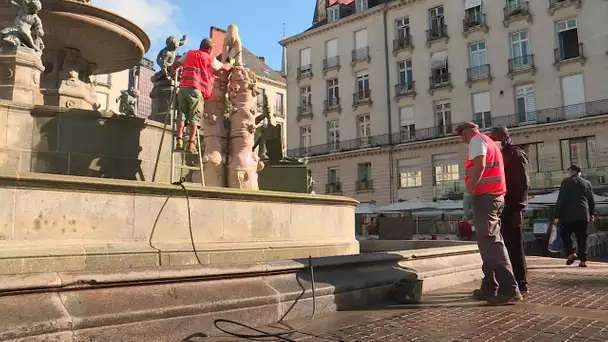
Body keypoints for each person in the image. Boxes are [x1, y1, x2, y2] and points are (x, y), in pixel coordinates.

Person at [456, 122, 521, 305]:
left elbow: (479, 166)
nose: (464, 140)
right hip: (495, 196)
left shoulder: (477, 141)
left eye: (462, 136)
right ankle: (489, 286)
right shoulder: (490, 142)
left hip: (485, 197)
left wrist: (468, 191)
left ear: (465, 134)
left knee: (491, 243)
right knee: (488, 242)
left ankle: (509, 290)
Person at [171, 38, 232, 153]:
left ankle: (179, 139)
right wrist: (231, 63)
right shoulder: (209, 58)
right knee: (195, 115)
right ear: (209, 49)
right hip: (196, 90)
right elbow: (224, 67)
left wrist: (174, 71)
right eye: (213, 49)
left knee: (182, 114)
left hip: (183, 88)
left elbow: (175, 64)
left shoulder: (189, 54)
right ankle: (191, 143)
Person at [489, 126, 530, 296]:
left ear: (504, 137)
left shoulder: (515, 153)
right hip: (503, 207)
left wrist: (518, 209)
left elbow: (522, 183)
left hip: (512, 207)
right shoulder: (502, 153)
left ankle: (521, 282)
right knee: (506, 245)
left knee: (514, 245)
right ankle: (510, 280)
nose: (493, 141)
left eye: (495, 138)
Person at [556, 164, 596, 267]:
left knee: (565, 235)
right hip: (583, 214)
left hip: (568, 216)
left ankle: (571, 253)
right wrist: (592, 213)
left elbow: (561, 199)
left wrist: (557, 214)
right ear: (580, 172)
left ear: (572, 171)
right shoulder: (587, 183)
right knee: (582, 238)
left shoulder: (566, 182)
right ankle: (583, 261)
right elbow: (591, 200)